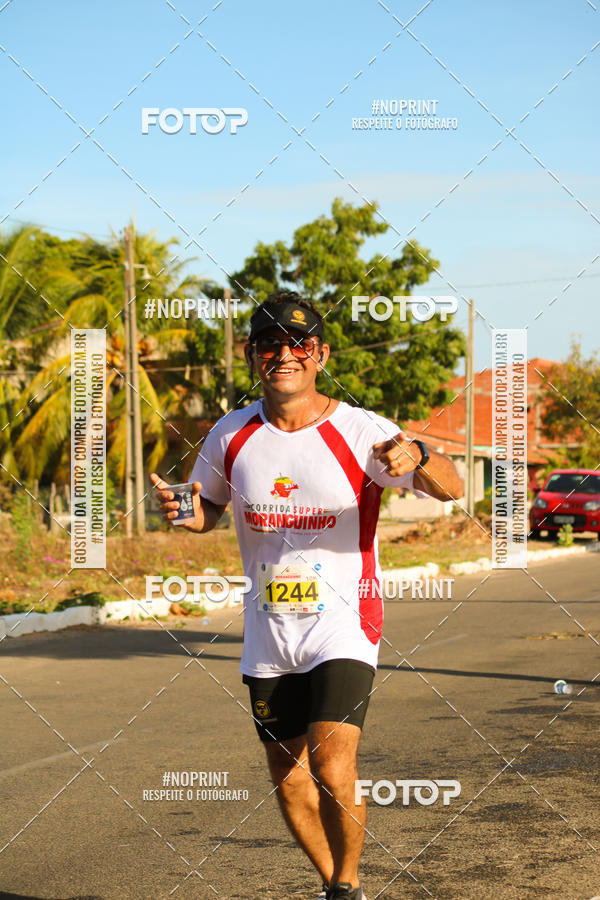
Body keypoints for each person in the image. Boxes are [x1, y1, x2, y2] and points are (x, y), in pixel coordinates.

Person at [150, 290, 463, 900]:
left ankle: (347, 884)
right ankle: (335, 886)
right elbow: (209, 506)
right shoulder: (231, 434)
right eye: (269, 343)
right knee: (288, 778)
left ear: (319, 354)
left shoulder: (360, 429)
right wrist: (186, 512)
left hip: (343, 620)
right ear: (253, 356)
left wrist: (419, 452)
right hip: (269, 628)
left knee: (329, 765)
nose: (283, 355)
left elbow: (449, 489)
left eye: (298, 344)